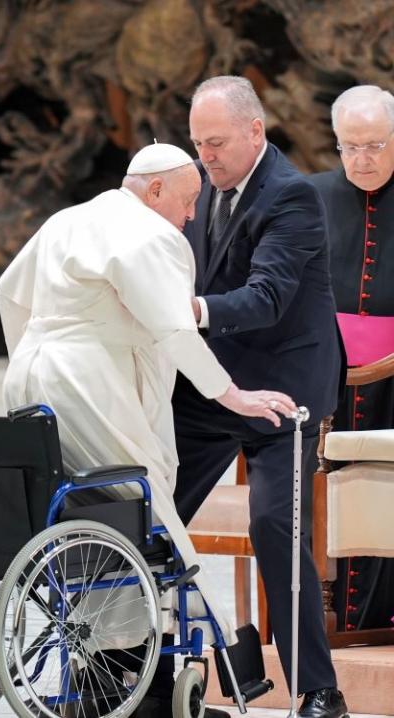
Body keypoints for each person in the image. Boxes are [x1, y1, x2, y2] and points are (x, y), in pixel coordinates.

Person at [0, 142, 296, 718]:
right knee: (142, 507)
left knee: (89, 513)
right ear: (156, 189)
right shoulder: (150, 234)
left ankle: (109, 672)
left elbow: (12, 295)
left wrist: (28, 368)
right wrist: (233, 396)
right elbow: (177, 332)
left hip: (32, 375)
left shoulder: (70, 218)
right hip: (88, 380)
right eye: (187, 202)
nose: (189, 216)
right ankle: (175, 668)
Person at [168, 76, 347, 718]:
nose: (204, 156)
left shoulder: (293, 196)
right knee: (145, 501)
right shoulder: (199, 184)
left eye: (215, 143)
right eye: (196, 143)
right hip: (218, 384)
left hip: (282, 390)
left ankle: (319, 690)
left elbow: (266, 298)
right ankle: (131, 667)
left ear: (254, 132)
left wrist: (180, 310)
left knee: (275, 526)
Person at [310, 85, 394, 634]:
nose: (361, 159)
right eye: (349, 148)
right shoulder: (311, 196)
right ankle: (322, 626)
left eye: (374, 145)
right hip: (325, 375)